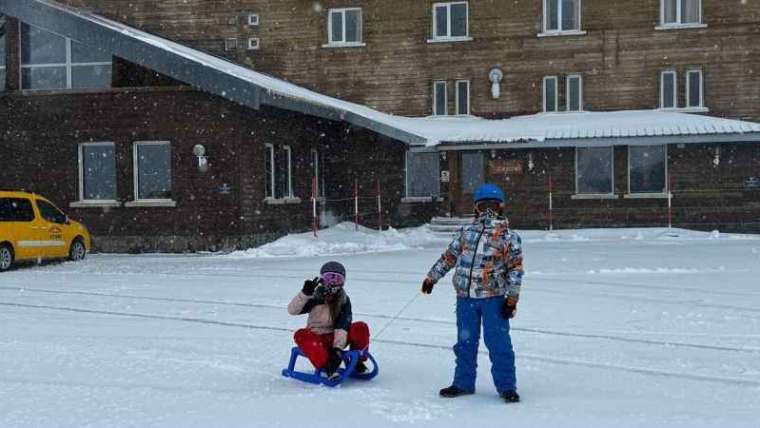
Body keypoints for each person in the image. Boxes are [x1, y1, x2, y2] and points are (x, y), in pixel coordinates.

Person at [421, 183, 524, 403]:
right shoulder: (466, 233)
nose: (488, 210)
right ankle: (463, 383)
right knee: (465, 343)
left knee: (498, 343)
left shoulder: (508, 237)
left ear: (501, 207)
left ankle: (507, 386)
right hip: (465, 299)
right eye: (483, 205)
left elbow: (515, 269)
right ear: (476, 208)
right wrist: (432, 277)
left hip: (493, 299)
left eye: (493, 205)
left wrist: (511, 299)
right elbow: (449, 257)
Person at [288, 261, 370, 379]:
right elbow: (292, 310)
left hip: (336, 337)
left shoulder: (343, 300)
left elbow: (343, 325)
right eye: (328, 278)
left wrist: (337, 349)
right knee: (301, 334)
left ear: (343, 282)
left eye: (337, 279)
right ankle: (327, 366)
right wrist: (304, 294)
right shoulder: (314, 296)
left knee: (360, 327)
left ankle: (357, 361)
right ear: (322, 279)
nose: (332, 282)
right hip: (316, 337)